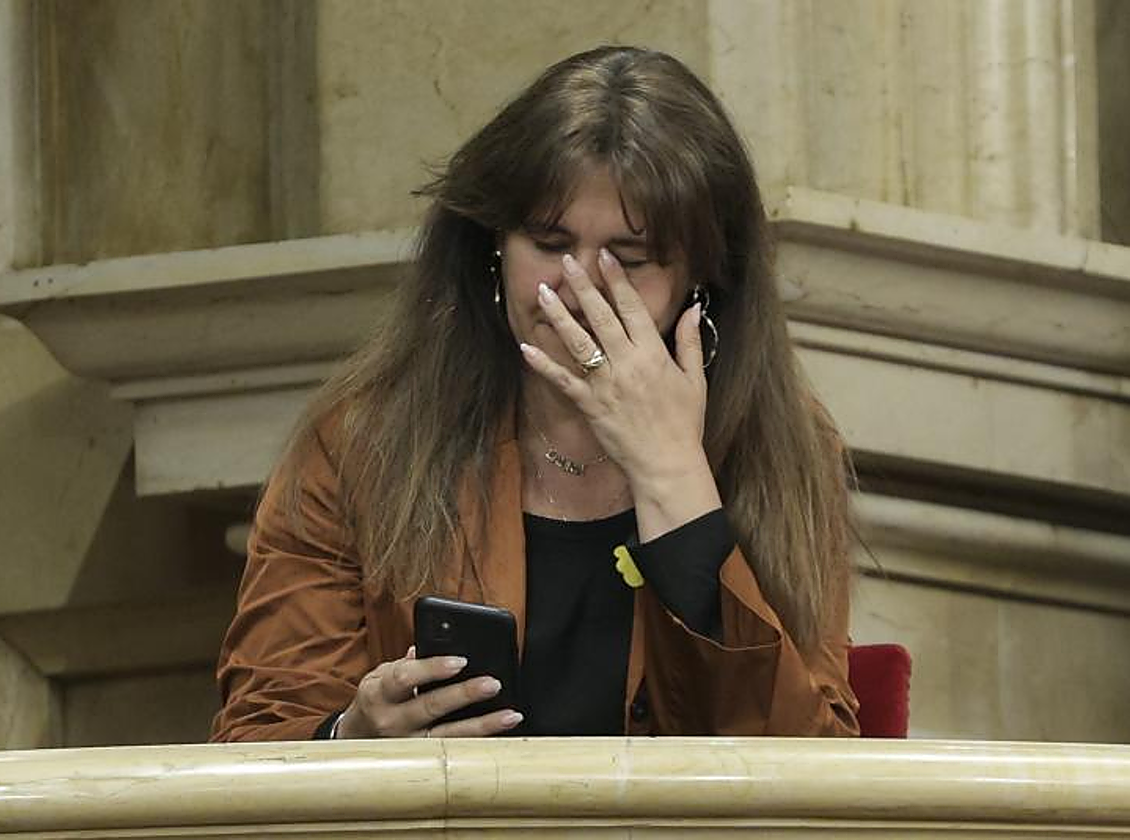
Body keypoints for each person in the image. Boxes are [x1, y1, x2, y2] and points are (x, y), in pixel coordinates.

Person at [212, 45, 860, 741]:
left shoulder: (783, 447)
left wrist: (675, 479)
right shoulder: (359, 441)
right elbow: (259, 736)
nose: (575, 288)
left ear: (698, 279)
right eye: (549, 243)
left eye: (629, 260)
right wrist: (353, 739)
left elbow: (814, 765)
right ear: (495, 245)